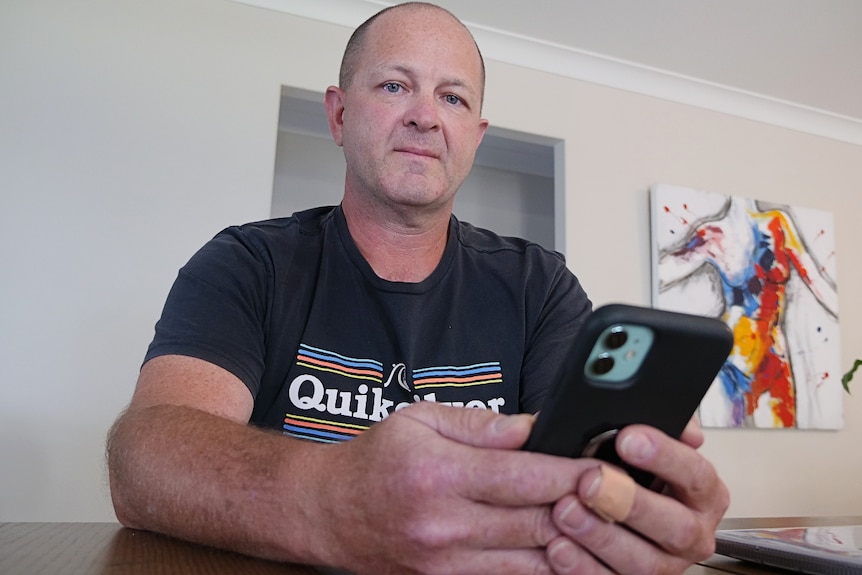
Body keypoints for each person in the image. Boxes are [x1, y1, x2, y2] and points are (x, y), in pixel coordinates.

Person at [107, 3, 729, 574]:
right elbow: (147, 458)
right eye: (394, 85)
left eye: (453, 98)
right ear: (339, 114)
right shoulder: (247, 262)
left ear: (475, 138)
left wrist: (631, 500)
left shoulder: (540, 286)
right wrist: (339, 503)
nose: (426, 115)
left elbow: (578, 471)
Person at [659, 195, 838, 428]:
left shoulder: (777, 224)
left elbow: (817, 283)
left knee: (783, 446)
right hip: (726, 358)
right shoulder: (712, 235)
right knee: (715, 448)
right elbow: (661, 274)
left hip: (771, 356)